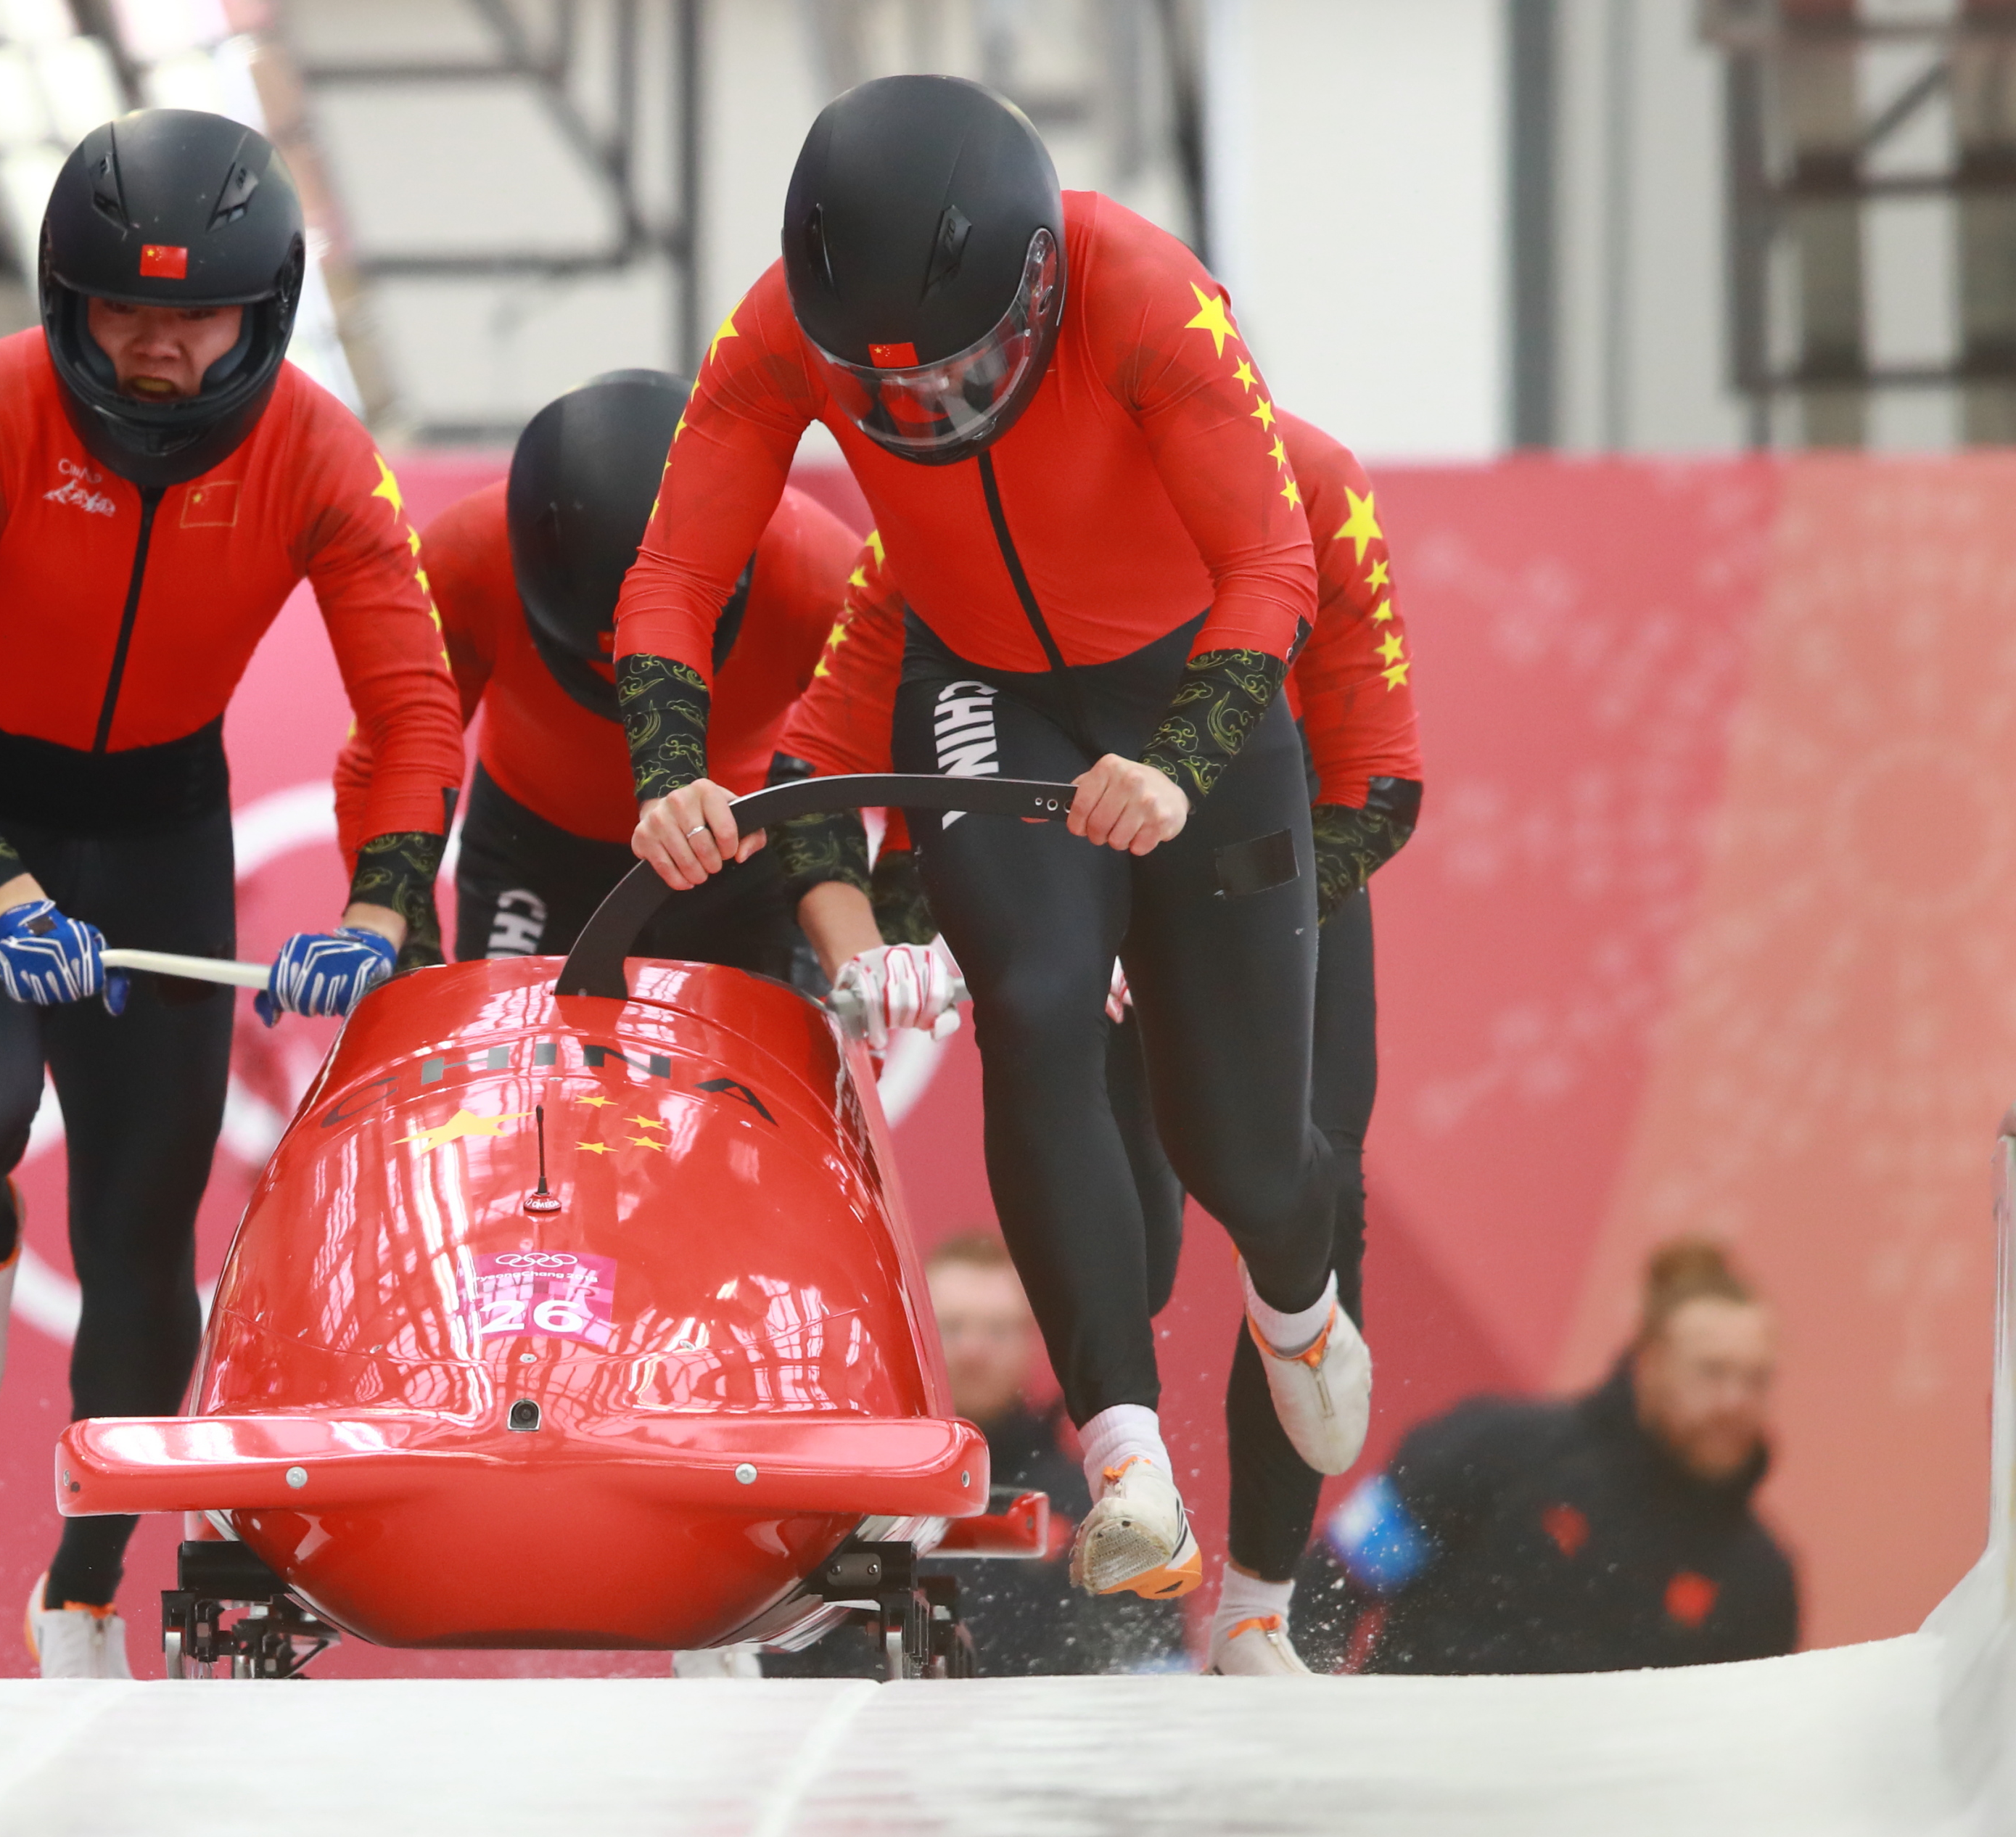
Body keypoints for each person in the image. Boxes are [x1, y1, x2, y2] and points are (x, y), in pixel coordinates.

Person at [615, 73, 1366, 1607]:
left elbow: (1272, 556)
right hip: (981, 680)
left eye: (961, 376)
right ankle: (1126, 1454)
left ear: (1036, 286)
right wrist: (671, 766)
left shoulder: (1149, 291)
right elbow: (675, 565)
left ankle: (1298, 1297)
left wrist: (1180, 758)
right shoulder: (768, 332)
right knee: (1028, 1000)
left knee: (1245, 1150)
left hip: (1191, 695)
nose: (923, 418)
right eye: (875, 394)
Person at [0, 108, 466, 1678]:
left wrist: (381, 910)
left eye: (194, 320)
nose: (158, 353)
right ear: (68, 302)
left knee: (141, 1226)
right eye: (124, 311)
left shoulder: (320, 451)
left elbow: (412, 709)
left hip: (155, 816)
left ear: (259, 319)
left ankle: (77, 1589)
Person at [772, 406, 1423, 1673]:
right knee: (1148, 1243)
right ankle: (1132, 1463)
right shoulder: (942, 520)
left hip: (1259, 861)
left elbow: (1379, 782)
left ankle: (1254, 1607)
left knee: (1300, 1172)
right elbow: (827, 771)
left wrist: (1217, 940)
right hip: (1078, 864)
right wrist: (871, 943)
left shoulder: (1309, 486)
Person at [330, 369, 859, 974]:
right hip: (535, 855)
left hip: (743, 860)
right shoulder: (465, 558)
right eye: (597, 657)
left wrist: (888, 935)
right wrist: (401, 948)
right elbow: (388, 753)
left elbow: (899, 747)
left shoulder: (819, 574)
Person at [1299, 1239, 1798, 1674]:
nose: (1736, 1402)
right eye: (1712, 1372)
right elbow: (1337, 1576)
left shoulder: (1759, 1580)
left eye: (1756, 1379)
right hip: (1405, 1759)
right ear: (1648, 1362)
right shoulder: (1492, 1449)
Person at [762, 1232, 1182, 1677]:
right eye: (952, 1327)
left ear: (1033, 1340)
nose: (973, 1351)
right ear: (913, 1336)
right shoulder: (846, 1504)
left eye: (997, 1330)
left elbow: (1153, 1663)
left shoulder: (1099, 1505)